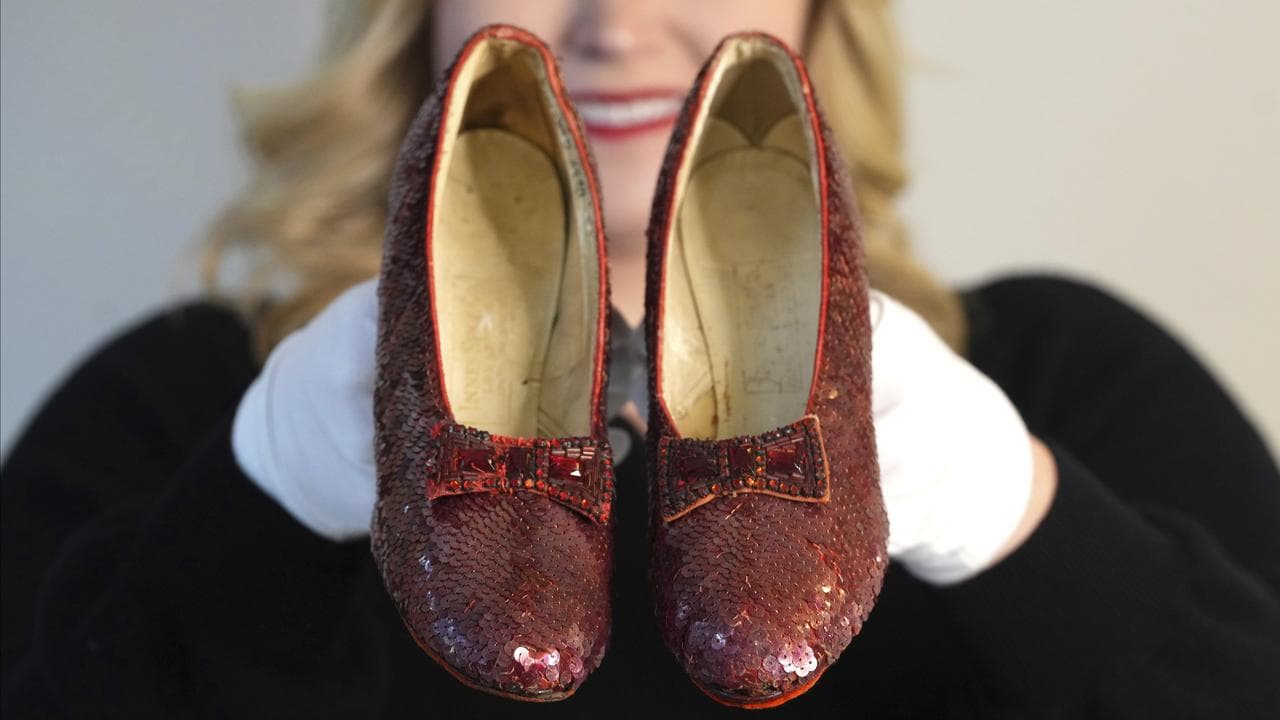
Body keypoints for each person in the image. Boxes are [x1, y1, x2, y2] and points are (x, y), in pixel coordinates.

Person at [3, 1, 1277, 717]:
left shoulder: (1066, 370)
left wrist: (1017, 515)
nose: (613, 20)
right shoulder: (176, 400)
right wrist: (255, 499)